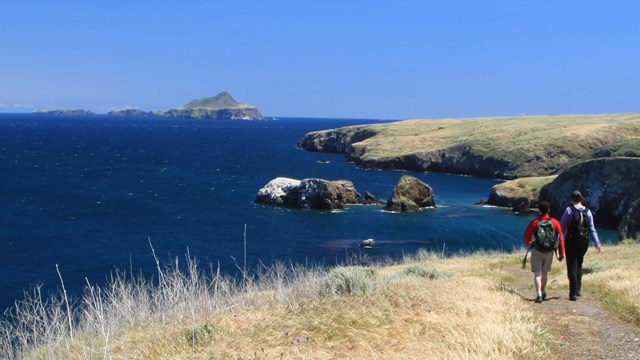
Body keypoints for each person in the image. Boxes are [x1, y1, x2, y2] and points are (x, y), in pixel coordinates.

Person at [560, 190, 602, 301]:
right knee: (579, 263)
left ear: (572, 199)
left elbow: (562, 227)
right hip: (584, 241)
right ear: (581, 199)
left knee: (572, 265)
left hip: (571, 241)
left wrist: (558, 240)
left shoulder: (569, 210)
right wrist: (597, 243)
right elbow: (592, 229)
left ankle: (572, 293)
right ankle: (578, 290)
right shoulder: (588, 212)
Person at [524, 201, 565, 303]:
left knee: (537, 273)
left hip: (537, 250)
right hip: (549, 251)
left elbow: (526, 237)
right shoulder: (555, 222)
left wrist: (531, 242)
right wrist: (561, 253)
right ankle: (542, 291)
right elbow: (561, 239)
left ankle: (538, 294)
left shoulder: (534, 223)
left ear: (539, 210)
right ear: (549, 210)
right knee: (545, 273)